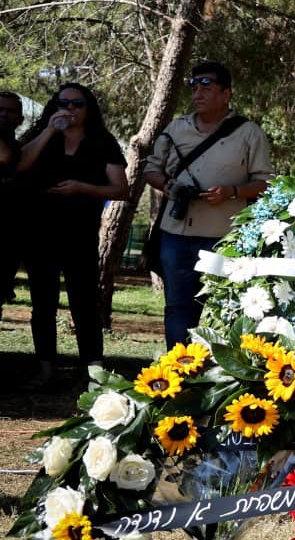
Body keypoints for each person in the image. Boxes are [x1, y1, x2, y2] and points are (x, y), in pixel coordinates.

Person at [144, 62, 272, 347]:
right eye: (194, 85)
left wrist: (232, 191)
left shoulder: (249, 133)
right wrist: (167, 186)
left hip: (225, 238)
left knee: (226, 311)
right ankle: (180, 374)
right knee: (178, 308)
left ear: (226, 94)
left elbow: (266, 183)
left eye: (206, 85)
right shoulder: (176, 128)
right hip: (175, 235)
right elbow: (151, 169)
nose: (198, 91)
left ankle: (219, 378)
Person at [13, 84, 128, 386]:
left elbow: (121, 189)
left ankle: (92, 369)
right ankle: (45, 368)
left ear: (89, 109)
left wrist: (84, 188)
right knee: (43, 302)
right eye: (63, 103)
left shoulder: (102, 141)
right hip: (40, 231)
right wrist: (50, 131)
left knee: (84, 301)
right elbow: (20, 164)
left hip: (81, 232)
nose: (70, 109)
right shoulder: (42, 137)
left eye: (77, 104)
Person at [0, 90, 23, 312]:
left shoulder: (21, 149)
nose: (3, 115)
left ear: (20, 119)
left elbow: (7, 157)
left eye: (10, 111)